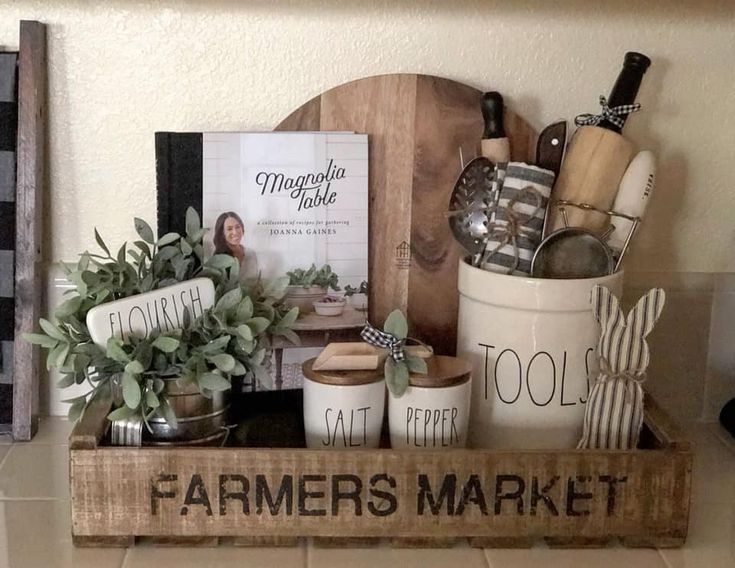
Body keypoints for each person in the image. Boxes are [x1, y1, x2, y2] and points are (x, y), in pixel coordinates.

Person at [213, 211, 260, 280]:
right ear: (222, 233)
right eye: (229, 229)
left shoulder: (251, 254)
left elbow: (255, 281)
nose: (235, 232)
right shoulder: (217, 259)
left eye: (237, 227)